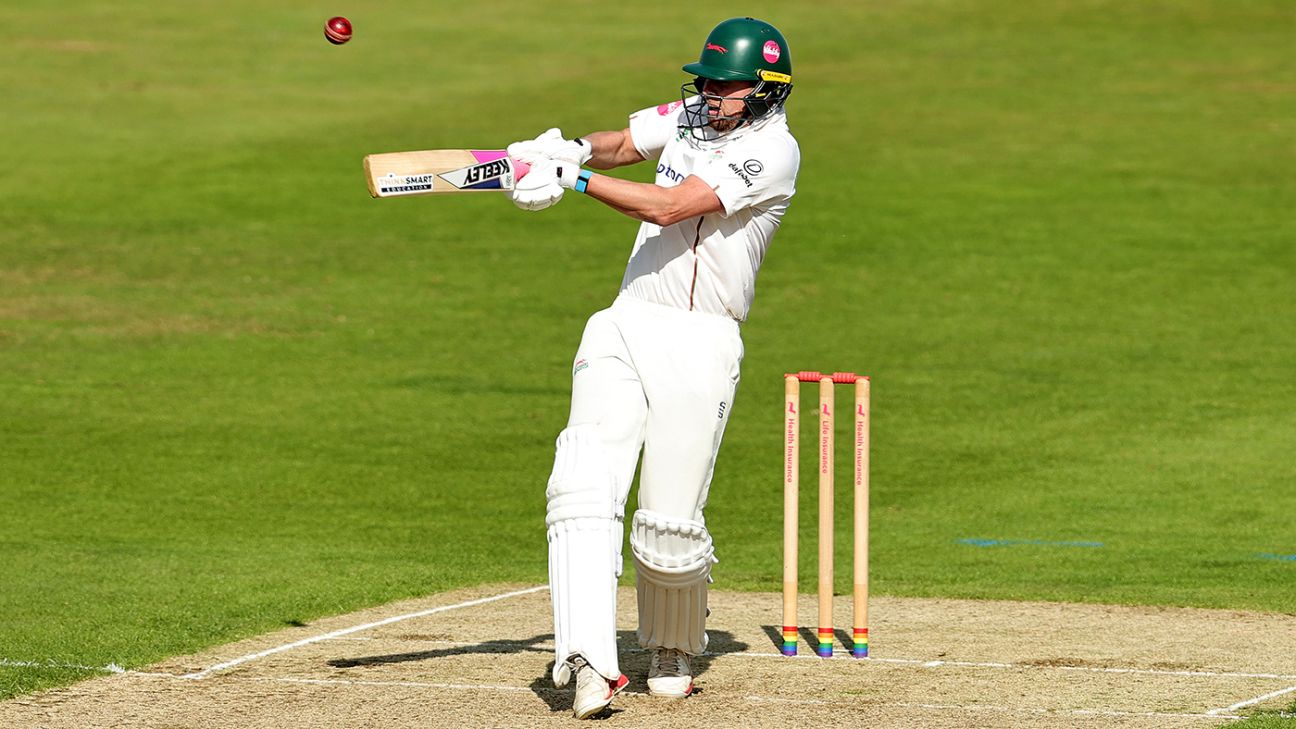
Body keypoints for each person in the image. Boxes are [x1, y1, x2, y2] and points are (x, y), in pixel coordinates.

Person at [506, 17, 799, 719]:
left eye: (727, 86)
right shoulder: (691, 116)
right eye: (706, 81)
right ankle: (585, 659)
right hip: (626, 318)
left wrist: (571, 181)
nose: (711, 94)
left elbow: (671, 207)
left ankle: (672, 647)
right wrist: (568, 147)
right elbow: (626, 144)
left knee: (668, 526)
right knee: (580, 483)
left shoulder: (774, 151)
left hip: (701, 340)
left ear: (767, 91)